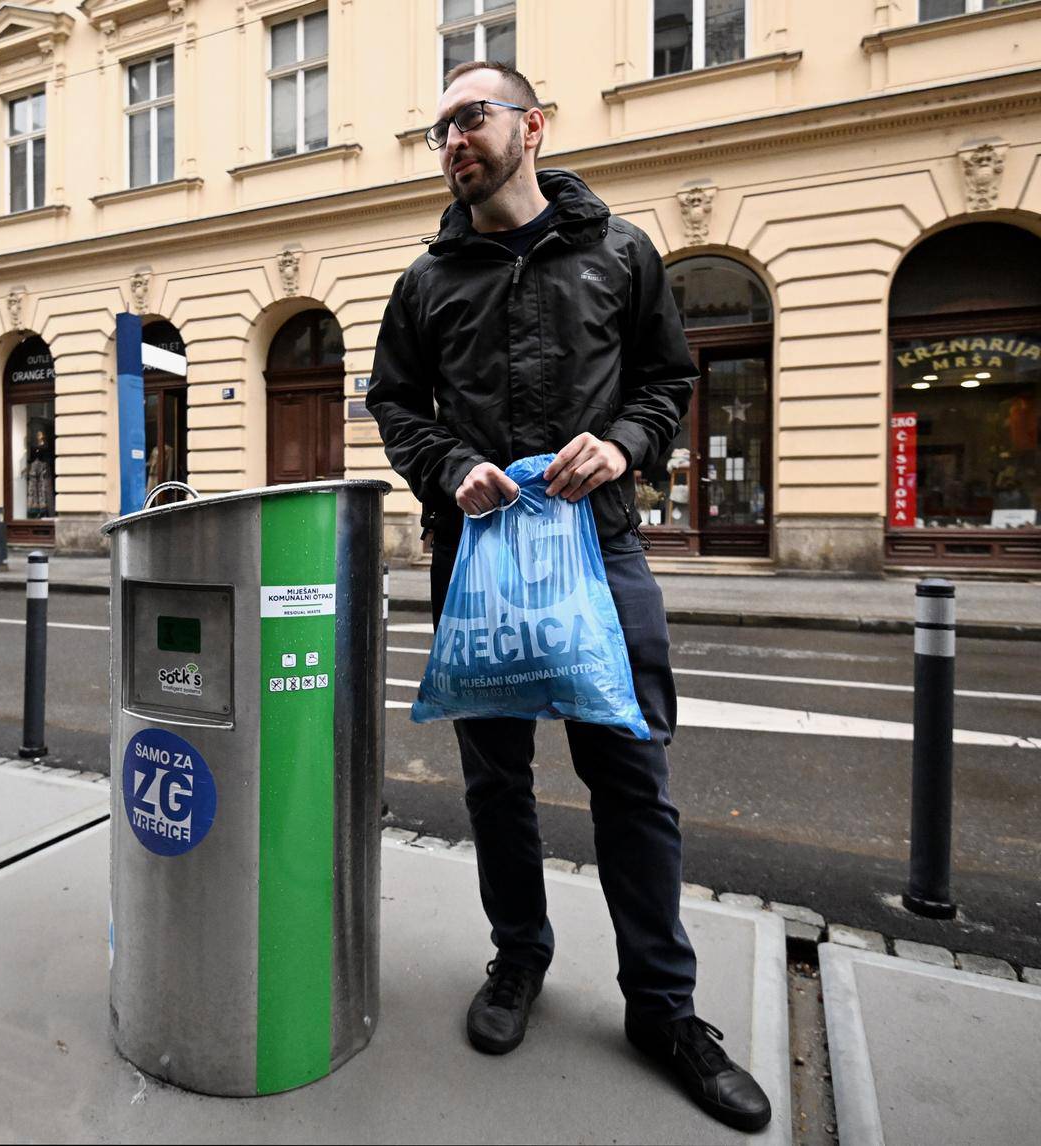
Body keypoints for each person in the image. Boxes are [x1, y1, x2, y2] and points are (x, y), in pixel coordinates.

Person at [367, 60, 771, 1134]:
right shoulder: (427, 280)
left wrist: (628, 443)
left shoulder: (619, 252)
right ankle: (517, 963)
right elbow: (394, 405)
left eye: (470, 118)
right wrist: (449, 465)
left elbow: (668, 381)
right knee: (496, 785)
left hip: (600, 554)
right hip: (479, 562)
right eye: (438, 124)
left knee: (631, 780)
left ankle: (664, 1011)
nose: (451, 138)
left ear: (532, 127)